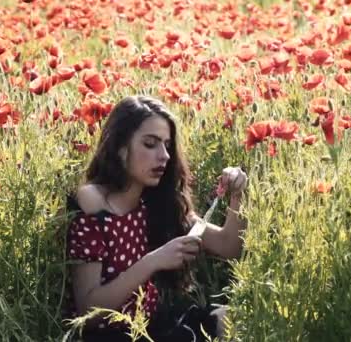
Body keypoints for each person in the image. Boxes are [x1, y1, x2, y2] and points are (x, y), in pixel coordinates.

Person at [65, 95, 248, 341]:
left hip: (152, 327)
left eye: (167, 145)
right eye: (150, 144)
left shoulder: (156, 202)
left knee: (233, 319)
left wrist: (237, 195)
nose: (164, 156)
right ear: (120, 148)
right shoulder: (92, 202)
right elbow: (89, 309)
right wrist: (153, 261)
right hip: (111, 336)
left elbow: (229, 246)